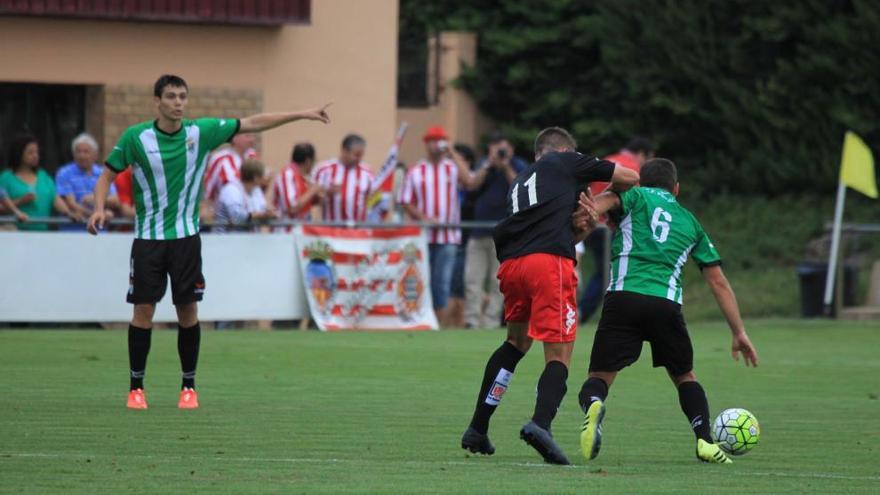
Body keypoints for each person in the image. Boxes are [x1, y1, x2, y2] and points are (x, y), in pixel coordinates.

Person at [86, 74, 330, 410]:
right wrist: (99, 209)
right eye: (171, 96)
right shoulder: (135, 137)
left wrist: (302, 113)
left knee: (188, 310)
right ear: (157, 101)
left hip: (187, 239)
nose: (178, 103)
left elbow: (253, 122)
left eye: (183, 96)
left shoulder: (200, 132)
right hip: (148, 239)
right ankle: (136, 388)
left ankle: (188, 388)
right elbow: (106, 175)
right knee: (144, 310)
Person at [460, 127, 639, 464]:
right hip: (547, 264)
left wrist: (580, 220)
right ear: (563, 150)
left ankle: (478, 428)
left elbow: (560, 228)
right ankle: (541, 424)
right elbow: (630, 176)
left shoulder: (520, 181)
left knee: (516, 343)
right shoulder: (565, 162)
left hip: (513, 265)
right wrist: (606, 197)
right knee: (560, 351)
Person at [573, 158, 759, 464]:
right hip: (665, 304)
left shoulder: (634, 196)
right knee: (684, 375)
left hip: (624, 297)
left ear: (642, 182)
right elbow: (718, 282)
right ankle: (705, 441)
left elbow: (604, 203)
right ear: (676, 189)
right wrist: (738, 331)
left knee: (600, 376)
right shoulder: (690, 222)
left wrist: (593, 207)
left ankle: (594, 404)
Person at [398, 126, 478, 326]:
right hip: (423, 236)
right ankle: (421, 320)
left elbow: (469, 180)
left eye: (441, 140)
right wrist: (423, 217)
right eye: (433, 141)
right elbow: (405, 200)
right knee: (422, 281)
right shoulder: (417, 170)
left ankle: (438, 324)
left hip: (448, 236)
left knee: (442, 283)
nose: (437, 145)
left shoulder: (452, 168)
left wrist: (452, 152)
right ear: (426, 144)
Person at [579, 137, 654, 322]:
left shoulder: (607, 159)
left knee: (601, 269)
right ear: (642, 154)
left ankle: (585, 312)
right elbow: (636, 198)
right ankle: (584, 313)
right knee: (611, 271)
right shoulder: (633, 167)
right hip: (609, 224)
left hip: (589, 220)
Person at [464, 132, 527, 329]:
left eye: (503, 148)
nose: (499, 152)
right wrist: (489, 165)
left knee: (496, 281)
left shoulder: (518, 165)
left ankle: (491, 321)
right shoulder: (485, 164)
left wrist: (506, 165)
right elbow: (472, 185)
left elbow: (520, 188)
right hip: (478, 232)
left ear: (511, 149)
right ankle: (471, 321)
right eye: (495, 148)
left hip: (504, 233)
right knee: (472, 279)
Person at [0, 134, 78, 230]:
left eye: (37, 152)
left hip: (41, 234)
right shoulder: (6, 178)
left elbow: (55, 198)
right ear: (19, 153)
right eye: (30, 152)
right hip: (14, 234)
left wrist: (68, 213)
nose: (35, 156)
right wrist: (20, 201)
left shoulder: (43, 176)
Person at [55, 133, 120, 232]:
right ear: (73, 154)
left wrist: (95, 198)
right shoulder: (64, 173)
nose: (82, 155)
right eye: (78, 151)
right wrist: (99, 214)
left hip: (99, 232)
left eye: (86, 152)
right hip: (72, 232)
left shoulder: (102, 173)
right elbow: (71, 204)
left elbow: (115, 200)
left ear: (95, 155)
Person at [311, 134, 373, 222]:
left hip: (358, 231)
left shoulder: (367, 172)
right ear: (344, 151)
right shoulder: (324, 170)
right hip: (331, 230)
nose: (359, 159)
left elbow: (372, 198)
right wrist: (326, 193)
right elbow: (311, 199)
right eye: (356, 155)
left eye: (361, 155)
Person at [213, 159, 277, 233]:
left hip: (247, 239)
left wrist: (269, 214)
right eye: (263, 175)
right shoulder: (231, 190)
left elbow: (262, 209)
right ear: (256, 178)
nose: (266, 178)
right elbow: (236, 217)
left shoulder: (256, 190)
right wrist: (261, 215)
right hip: (225, 239)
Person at [273, 142, 323, 232]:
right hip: (286, 233)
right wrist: (313, 190)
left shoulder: (303, 177)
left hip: (301, 232)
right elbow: (292, 208)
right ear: (308, 161)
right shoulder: (287, 175)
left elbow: (306, 202)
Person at [204, 132, 259, 204]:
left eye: (253, 136)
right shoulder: (220, 159)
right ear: (235, 138)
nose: (252, 139)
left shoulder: (252, 156)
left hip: (251, 210)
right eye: (248, 136)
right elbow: (209, 189)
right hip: (227, 209)